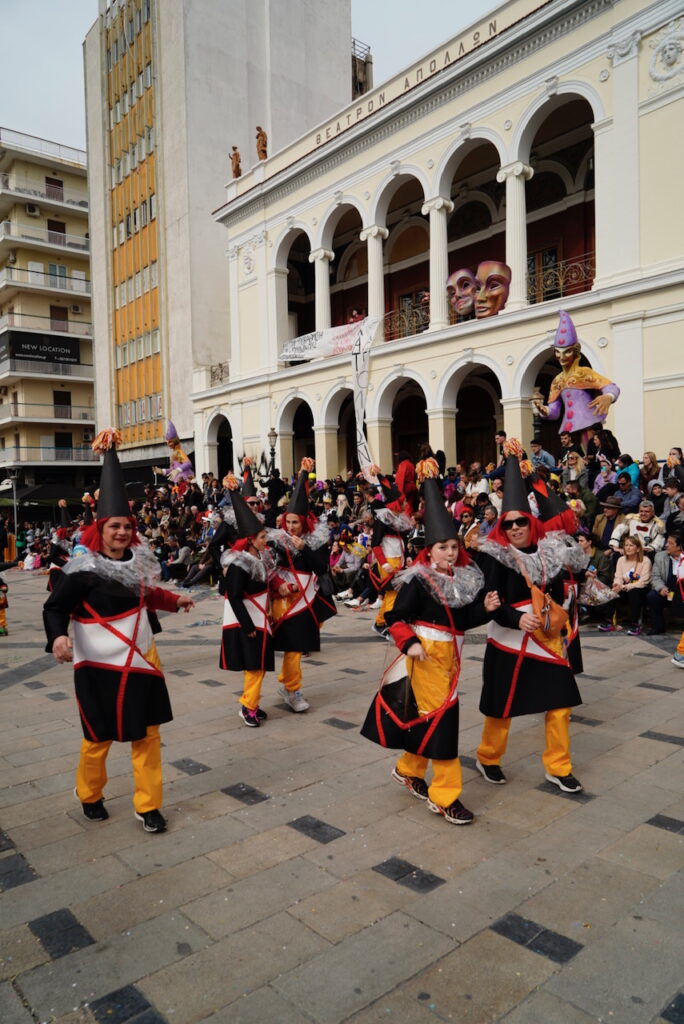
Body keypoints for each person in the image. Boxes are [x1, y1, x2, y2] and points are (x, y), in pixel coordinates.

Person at [43, 430, 194, 834]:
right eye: (114, 526)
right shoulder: (82, 571)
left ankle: (149, 806)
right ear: (101, 528)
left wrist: (173, 601)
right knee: (99, 738)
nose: (122, 533)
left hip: (142, 662)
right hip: (97, 666)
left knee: (146, 736)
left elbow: (146, 594)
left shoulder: (138, 564)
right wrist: (58, 637)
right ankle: (89, 793)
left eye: (127, 526)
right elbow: (55, 606)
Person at [361, 476, 500, 825]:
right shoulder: (417, 580)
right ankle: (444, 796)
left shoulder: (459, 580)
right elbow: (395, 617)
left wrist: (486, 608)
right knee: (444, 722)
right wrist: (409, 643)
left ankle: (408, 769)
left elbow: (462, 620)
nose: (450, 553)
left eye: (454, 547)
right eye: (443, 548)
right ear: (429, 551)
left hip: (450, 659)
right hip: (424, 660)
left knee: (430, 716)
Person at [475, 448, 584, 793]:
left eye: (522, 521)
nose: (516, 528)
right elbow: (489, 601)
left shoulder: (550, 552)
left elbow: (562, 588)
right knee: (501, 708)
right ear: (501, 527)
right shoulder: (494, 556)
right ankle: (488, 758)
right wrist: (515, 618)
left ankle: (558, 766)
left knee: (560, 705)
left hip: (547, 641)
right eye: (509, 523)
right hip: (508, 640)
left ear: (531, 522)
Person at [269, 460, 337, 712]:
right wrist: (279, 585)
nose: (290, 527)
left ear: (305, 523)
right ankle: (289, 688)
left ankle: (290, 687)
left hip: (308, 599)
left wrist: (303, 548)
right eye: (288, 522)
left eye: (295, 523)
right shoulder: (276, 541)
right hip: (284, 599)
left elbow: (320, 567)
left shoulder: (316, 541)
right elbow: (270, 569)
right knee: (292, 648)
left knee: (296, 649)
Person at [218, 478, 274, 727]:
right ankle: (248, 707)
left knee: (258, 664)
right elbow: (234, 595)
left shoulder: (260, 557)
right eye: (262, 537)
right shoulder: (240, 564)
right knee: (255, 666)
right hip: (248, 620)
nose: (266, 540)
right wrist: (248, 625)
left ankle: (253, 703)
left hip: (261, 617)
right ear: (250, 539)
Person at [369, 475, 411, 639]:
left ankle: (380, 622)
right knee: (393, 593)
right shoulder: (383, 518)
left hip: (397, 559)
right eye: (403, 501)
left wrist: (406, 557)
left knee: (392, 593)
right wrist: (383, 563)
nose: (406, 504)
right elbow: (375, 543)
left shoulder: (397, 518)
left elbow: (402, 541)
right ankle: (386, 624)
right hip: (388, 560)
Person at [599, 534, 651, 635]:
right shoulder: (621, 560)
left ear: (638, 548)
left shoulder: (645, 561)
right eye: (626, 545)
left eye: (631, 545)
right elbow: (618, 576)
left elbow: (643, 582)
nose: (628, 547)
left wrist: (623, 587)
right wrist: (617, 585)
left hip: (640, 590)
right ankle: (609, 622)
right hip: (625, 588)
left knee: (634, 592)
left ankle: (635, 625)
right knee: (612, 590)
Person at [646, 532, 684, 636]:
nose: (666, 545)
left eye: (670, 543)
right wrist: (661, 588)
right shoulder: (660, 556)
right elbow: (655, 577)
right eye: (667, 542)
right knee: (652, 596)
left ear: (679, 546)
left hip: (682, 591)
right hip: (667, 590)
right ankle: (657, 626)